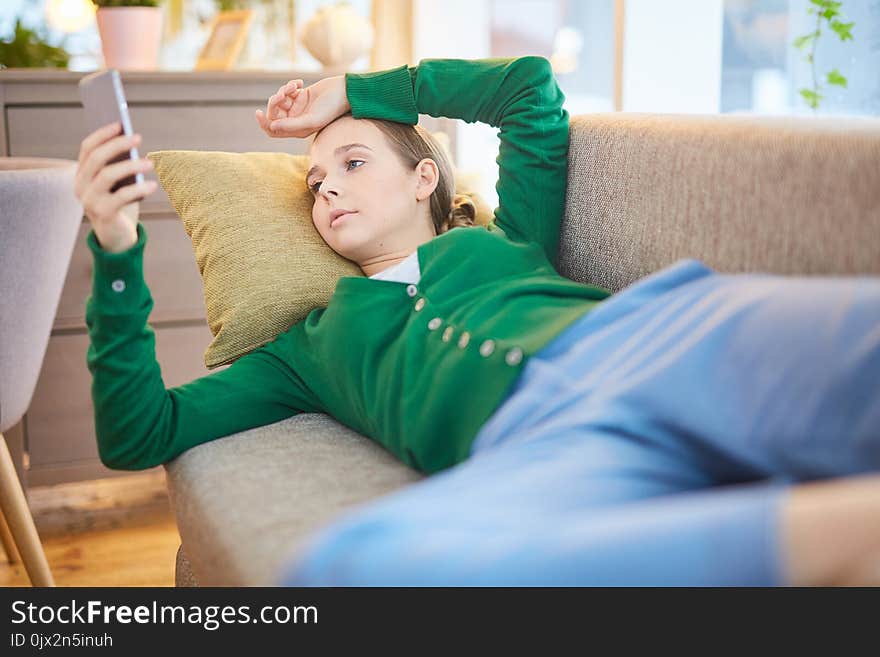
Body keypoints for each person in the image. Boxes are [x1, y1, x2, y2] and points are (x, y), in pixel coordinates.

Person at [75, 57, 880, 586]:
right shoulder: (310, 348)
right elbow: (141, 432)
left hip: (659, 339)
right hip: (543, 448)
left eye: (352, 163)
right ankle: (833, 537)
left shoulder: (505, 238)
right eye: (314, 182)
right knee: (348, 570)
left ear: (424, 175)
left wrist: (358, 92)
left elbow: (528, 89)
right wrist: (116, 247)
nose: (325, 189)